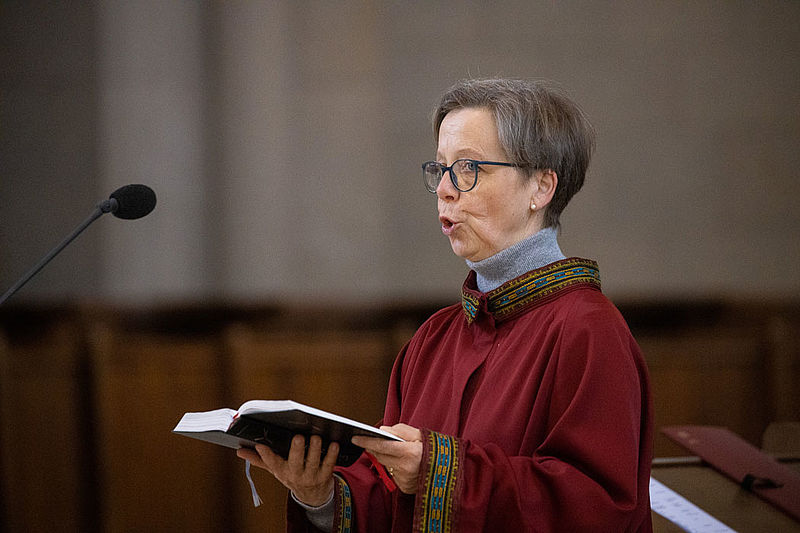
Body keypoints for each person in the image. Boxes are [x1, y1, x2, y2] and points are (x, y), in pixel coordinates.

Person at [238, 78, 654, 532]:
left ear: (541, 187)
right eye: (441, 170)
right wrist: (319, 496)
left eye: (469, 168)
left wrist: (441, 471)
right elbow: (388, 495)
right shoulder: (434, 337)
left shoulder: (589, 330)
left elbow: (595, 508)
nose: (446, 190)